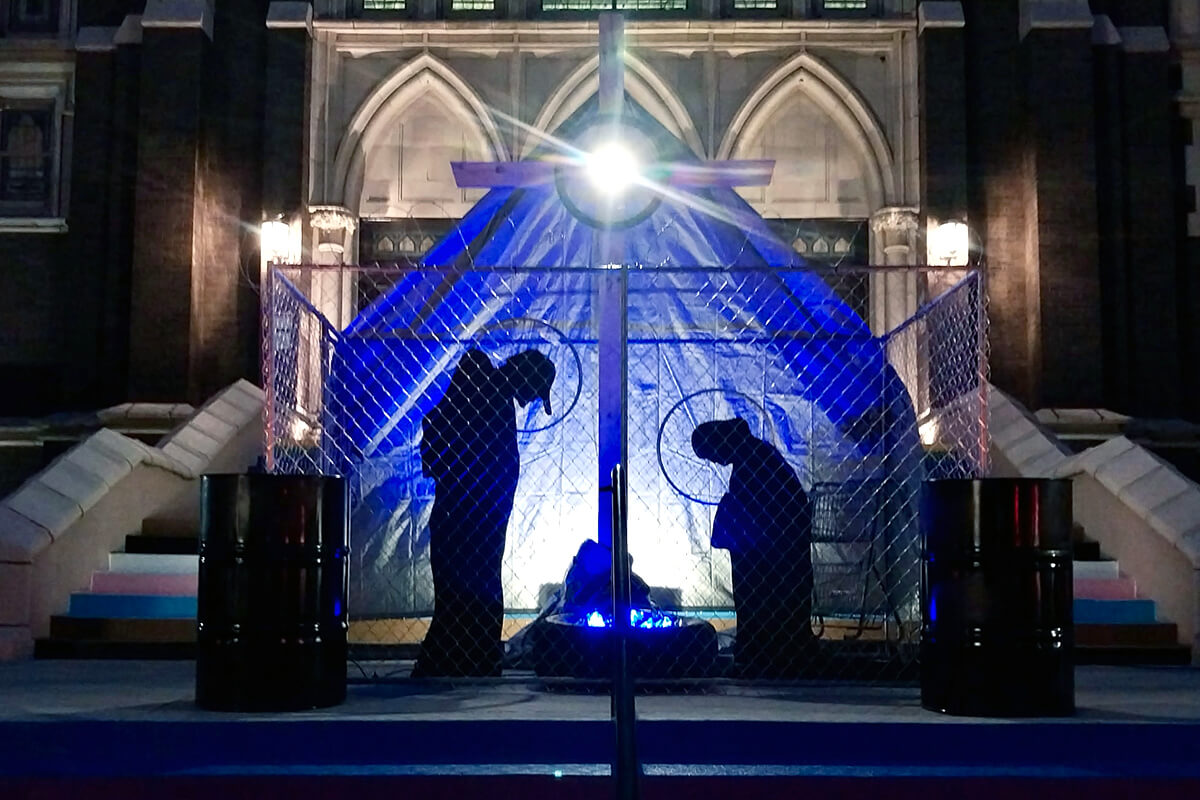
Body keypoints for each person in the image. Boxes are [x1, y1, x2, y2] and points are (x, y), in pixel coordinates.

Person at [413, 348, 556, 677]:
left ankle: (466, 660)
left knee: (468, 590)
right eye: (533, 392)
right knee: (464, 591)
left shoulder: (492, 394)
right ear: (525, 379)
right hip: (467, 517)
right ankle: (461, 661)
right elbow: (443, 433)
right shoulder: (479, 380)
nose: (530, 400)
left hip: (478, 520)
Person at [691, 417, 814, 678]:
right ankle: (762, 651)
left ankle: (756, 651)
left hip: (775, 550)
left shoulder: (751, 463)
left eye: (711, 455)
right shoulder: (757, 454)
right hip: (783, 546)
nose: (715, 461)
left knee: (749, 584)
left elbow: (754, 513)